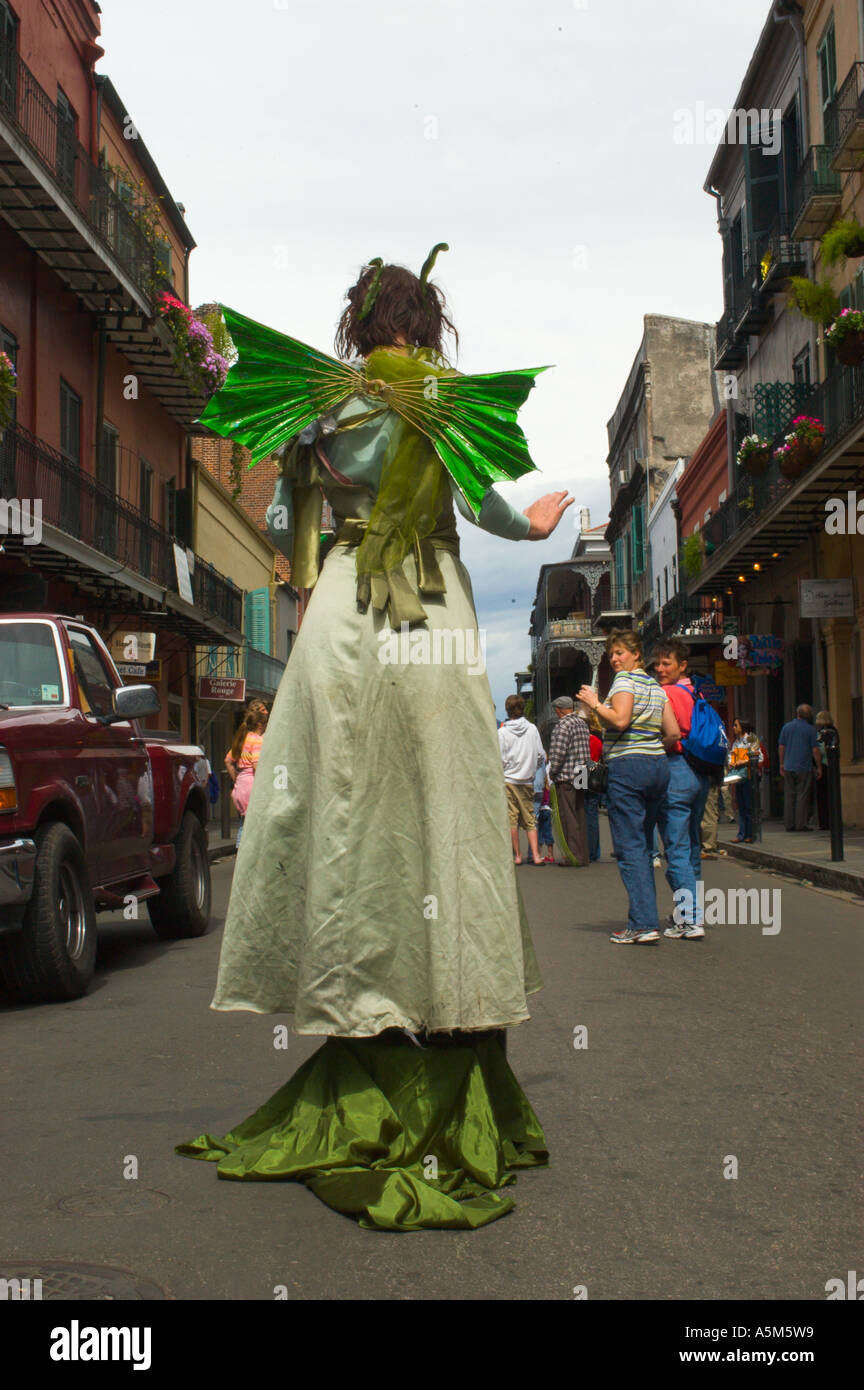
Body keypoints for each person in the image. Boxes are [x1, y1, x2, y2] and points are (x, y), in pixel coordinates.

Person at [176, 251, 573, 1230]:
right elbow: (487, 507)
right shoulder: (443, 401)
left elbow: (281, 524)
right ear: (427, 326)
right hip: (431, 607)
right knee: (444, 804)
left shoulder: (321, 406)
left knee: (345, 808)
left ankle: (359, 999)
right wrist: (538, 522)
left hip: (347, 617)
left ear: (358, 328)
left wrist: (313, 484)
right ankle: (447, 1002)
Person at [578, 630, 680, 944]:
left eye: (620, 653)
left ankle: (643, 923)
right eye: (612, 654)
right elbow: (673, 732)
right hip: (657, 766)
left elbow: (619, 721)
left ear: (637, 654)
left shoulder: (624, 682)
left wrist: (595, 703)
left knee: (631, 847)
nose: (615, 658)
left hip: (628, 767)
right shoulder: (656, 686)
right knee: (646, 846)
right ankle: (649, 917)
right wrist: (650, 747)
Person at [652, 639, 711, 940]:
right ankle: (693, 910)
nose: (660, 669)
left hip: (676, 768)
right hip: (700, 773)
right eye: (658, 664)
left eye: (667, 663)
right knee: (691, 847)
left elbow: (671, 733)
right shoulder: (694, 690)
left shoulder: (665, 694)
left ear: (682, 665)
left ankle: (689, 918)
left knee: (675, 848)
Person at [499, 694, 547, 865]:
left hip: (508, 779)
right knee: (530, 818)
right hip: (527, 779)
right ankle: (535, 855)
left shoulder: (502, 732)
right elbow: (541, 754)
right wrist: (533, 766)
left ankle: (517, 856)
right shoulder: (532, 729)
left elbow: (500, 758)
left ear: (507, 709)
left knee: (511, 818)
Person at [546, 695, 591, 866]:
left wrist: (552, 772)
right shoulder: (581, 723)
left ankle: (573, 856)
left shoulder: (563, 725)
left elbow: (558, 753)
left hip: (567, 774)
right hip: (582, 771)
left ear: (559, 709)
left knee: (568, 817)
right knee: (580, 813)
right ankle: (584, 854)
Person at [224, 700, 269, 847]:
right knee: (256, 825)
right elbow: (257, 765)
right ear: (260, 725)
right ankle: (246, 857)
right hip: (252, 785)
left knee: (245, 824)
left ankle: (240, 853)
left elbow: (228, 761)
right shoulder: (257, 740)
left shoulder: (243, 739)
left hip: (241, 786)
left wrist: (237, 779)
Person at [778, 703, 822, 832]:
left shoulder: (787, 727)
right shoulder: (810, 730)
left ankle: (789, 823)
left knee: (789, 794)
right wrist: (819, 766)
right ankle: (800, 824)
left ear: (797, 714)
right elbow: (815, 749)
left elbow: (781, 747)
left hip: (789, 765)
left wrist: (781, 763)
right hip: (803, 766)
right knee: (802, 795)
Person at [728, 718, 763, 843]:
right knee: (741, 807)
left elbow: (759, 757)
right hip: (738, 777)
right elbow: (731, 756)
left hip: (749, 777)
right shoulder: (736, 742)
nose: (734, 727)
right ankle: (741, 834)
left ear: (742, 727)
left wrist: (744, 761)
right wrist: (731, 763)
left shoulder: (751, 740)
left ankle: (750, 834)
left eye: (736, 725)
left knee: (749, 807)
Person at [581, 701, 604, 862]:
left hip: (582, 773)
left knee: (582, 812)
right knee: (593, 814)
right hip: (596, 774)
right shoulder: (597, 740)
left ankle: (587, 849)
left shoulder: (582, 741)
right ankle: (595, 850)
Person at [814, 710, 837, 830]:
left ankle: (824, 822)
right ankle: (833, 819)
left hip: (823, 765)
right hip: (832, 766)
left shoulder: (822, 733)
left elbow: (819, 750)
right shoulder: (833, 731)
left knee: (822, 796)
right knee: (831, 794)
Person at [533, 759, 555, 863]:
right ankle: (550, 855)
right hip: (548, 810)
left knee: (540, 833)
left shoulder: (540, 787)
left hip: (541, 810)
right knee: (548, 833)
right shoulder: (548, 787)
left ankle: (539, 854)